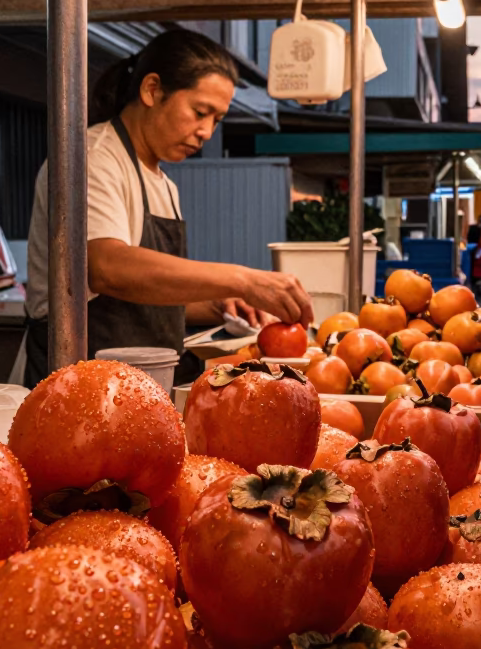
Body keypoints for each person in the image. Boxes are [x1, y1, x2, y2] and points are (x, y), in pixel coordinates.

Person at [24, 28, 313, 387]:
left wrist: (220, 303)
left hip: (139, 387)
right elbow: (106, 267)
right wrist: (244, 280)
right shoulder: (91, 159)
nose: (206, 131)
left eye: (216, 119)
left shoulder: (164, 185)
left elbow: (140, 305)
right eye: (199, 112)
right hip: (77, 386)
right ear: (152, 90)